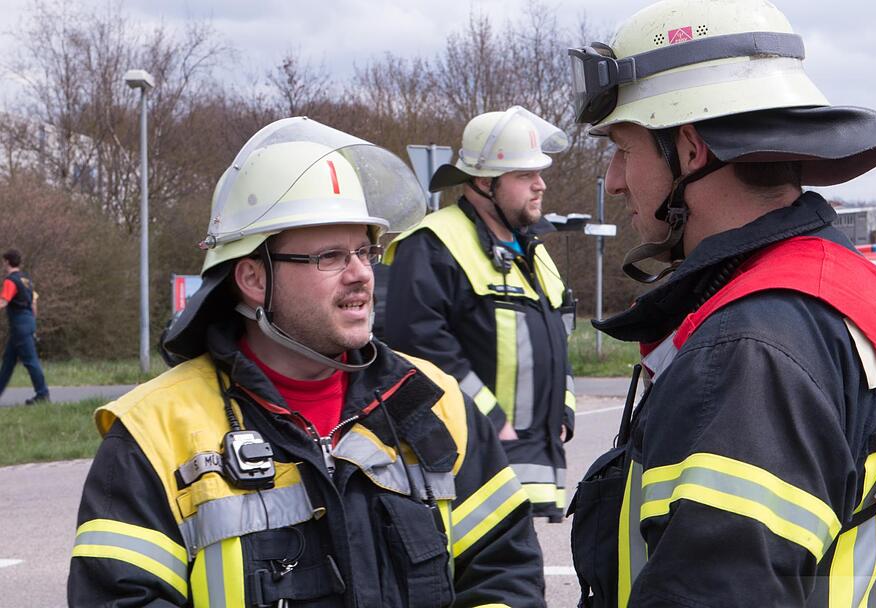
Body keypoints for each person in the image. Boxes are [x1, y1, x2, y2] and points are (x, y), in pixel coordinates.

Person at [565, 1, 876, 606]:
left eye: (624, 149)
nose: (615, 181)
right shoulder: (843, 289)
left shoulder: (750, 349)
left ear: (689, 149)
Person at [68, 117, 546, 607]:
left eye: (365, 250)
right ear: (254, 278)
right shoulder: (154, 435)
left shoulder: (434, 403)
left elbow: (504, 572)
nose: (362, 275)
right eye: (331, 257)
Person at [383, 107, 577, 523]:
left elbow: (559, 337)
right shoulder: (433, 243)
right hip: (465, 468)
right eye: (525, 175)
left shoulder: (534, 251)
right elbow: (419, 349)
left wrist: (564, 410)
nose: (540, 185)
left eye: (539, 173)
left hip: (526, 462)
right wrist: (490, 420)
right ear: (485, 182)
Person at [0, 248, 49, 404]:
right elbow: (33, 302)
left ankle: (42, 395)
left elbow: (3, 302)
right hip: (27, 322)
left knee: (30, 361)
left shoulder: (10, 281)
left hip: (19, 325)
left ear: (6, 262)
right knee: (8, 361)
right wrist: (31, 324)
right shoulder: (26, 280)